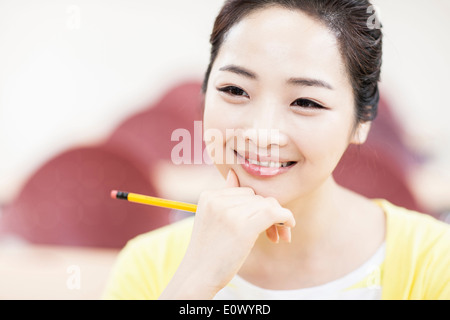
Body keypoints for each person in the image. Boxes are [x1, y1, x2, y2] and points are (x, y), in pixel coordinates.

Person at [103, 0, 450, 300]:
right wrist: (195, 282)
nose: (262, 134)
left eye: (305, 101)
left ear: (362, 120)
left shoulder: (435, 262)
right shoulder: (149, 265)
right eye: (236, 90)